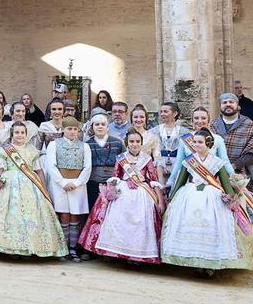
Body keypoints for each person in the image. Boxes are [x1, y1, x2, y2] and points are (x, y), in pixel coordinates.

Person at [161, 128, 253, 275]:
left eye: (200, 142)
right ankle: (195, 263)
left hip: (212, 197)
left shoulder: (217, 162)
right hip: (188, 196)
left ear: (208, 144)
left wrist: (231, 197)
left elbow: (225, 183)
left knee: (213, 229)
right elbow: (181, 181)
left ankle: (210, 266)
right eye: (195, 142)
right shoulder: (189, 161)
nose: (196, 145)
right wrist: (172, 196)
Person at [0, 122, 65, 258]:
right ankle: (9, 248)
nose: (20, 135)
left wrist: (44, 189)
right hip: (8, 185)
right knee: (9, 214)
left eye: (22, 133)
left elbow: (39, 171)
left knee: (30, 215)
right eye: (17, 132)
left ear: (26, 135)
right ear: (12, 134)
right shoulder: (4, 150)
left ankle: (28, 247)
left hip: (31, 187)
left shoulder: (32, 151)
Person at [79, 129, 164, 264]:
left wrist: (159, 200)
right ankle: (117, 252)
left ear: (141, 143)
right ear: (127, 143)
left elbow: (153, 179)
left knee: (140, 223)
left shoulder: (147, 159)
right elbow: (116, 175)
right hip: (123, 191)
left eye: (137, 141)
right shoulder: (121, 158)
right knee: (118, 219)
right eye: (131, 141)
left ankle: (136, 256)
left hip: (142, 194)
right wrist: (110, 190)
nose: (134, 144)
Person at [44, 117, 92, 261]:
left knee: (75, 215)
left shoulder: (84, 146)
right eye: (69, 129)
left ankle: (73, 249)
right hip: (60, 185)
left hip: (78, 185)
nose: (72, 132)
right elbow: (51, 166)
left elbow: (87, 167)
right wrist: (63, 182)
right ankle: (63, 248)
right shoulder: (53, 145)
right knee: (64, 215)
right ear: (63, 129)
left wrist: (77, 183)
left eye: (75, 129)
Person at [212, 92, 253, 186]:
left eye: (231, 102)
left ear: (238, 106)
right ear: (220, 106)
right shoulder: (212, 125)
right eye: (224, 103)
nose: (228, 104)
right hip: (217, 174)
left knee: (242, 201)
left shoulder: (250, 125)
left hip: (243, 175)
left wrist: (235, 165)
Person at [152, 101, 186, 185]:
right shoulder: (153, 131)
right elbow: (154, 151)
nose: (162, 114)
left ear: (174, 113)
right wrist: (160, 166)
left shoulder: (184, 132)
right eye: (161, 111)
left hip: (178, 163)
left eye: (166, 111)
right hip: (159, 164)